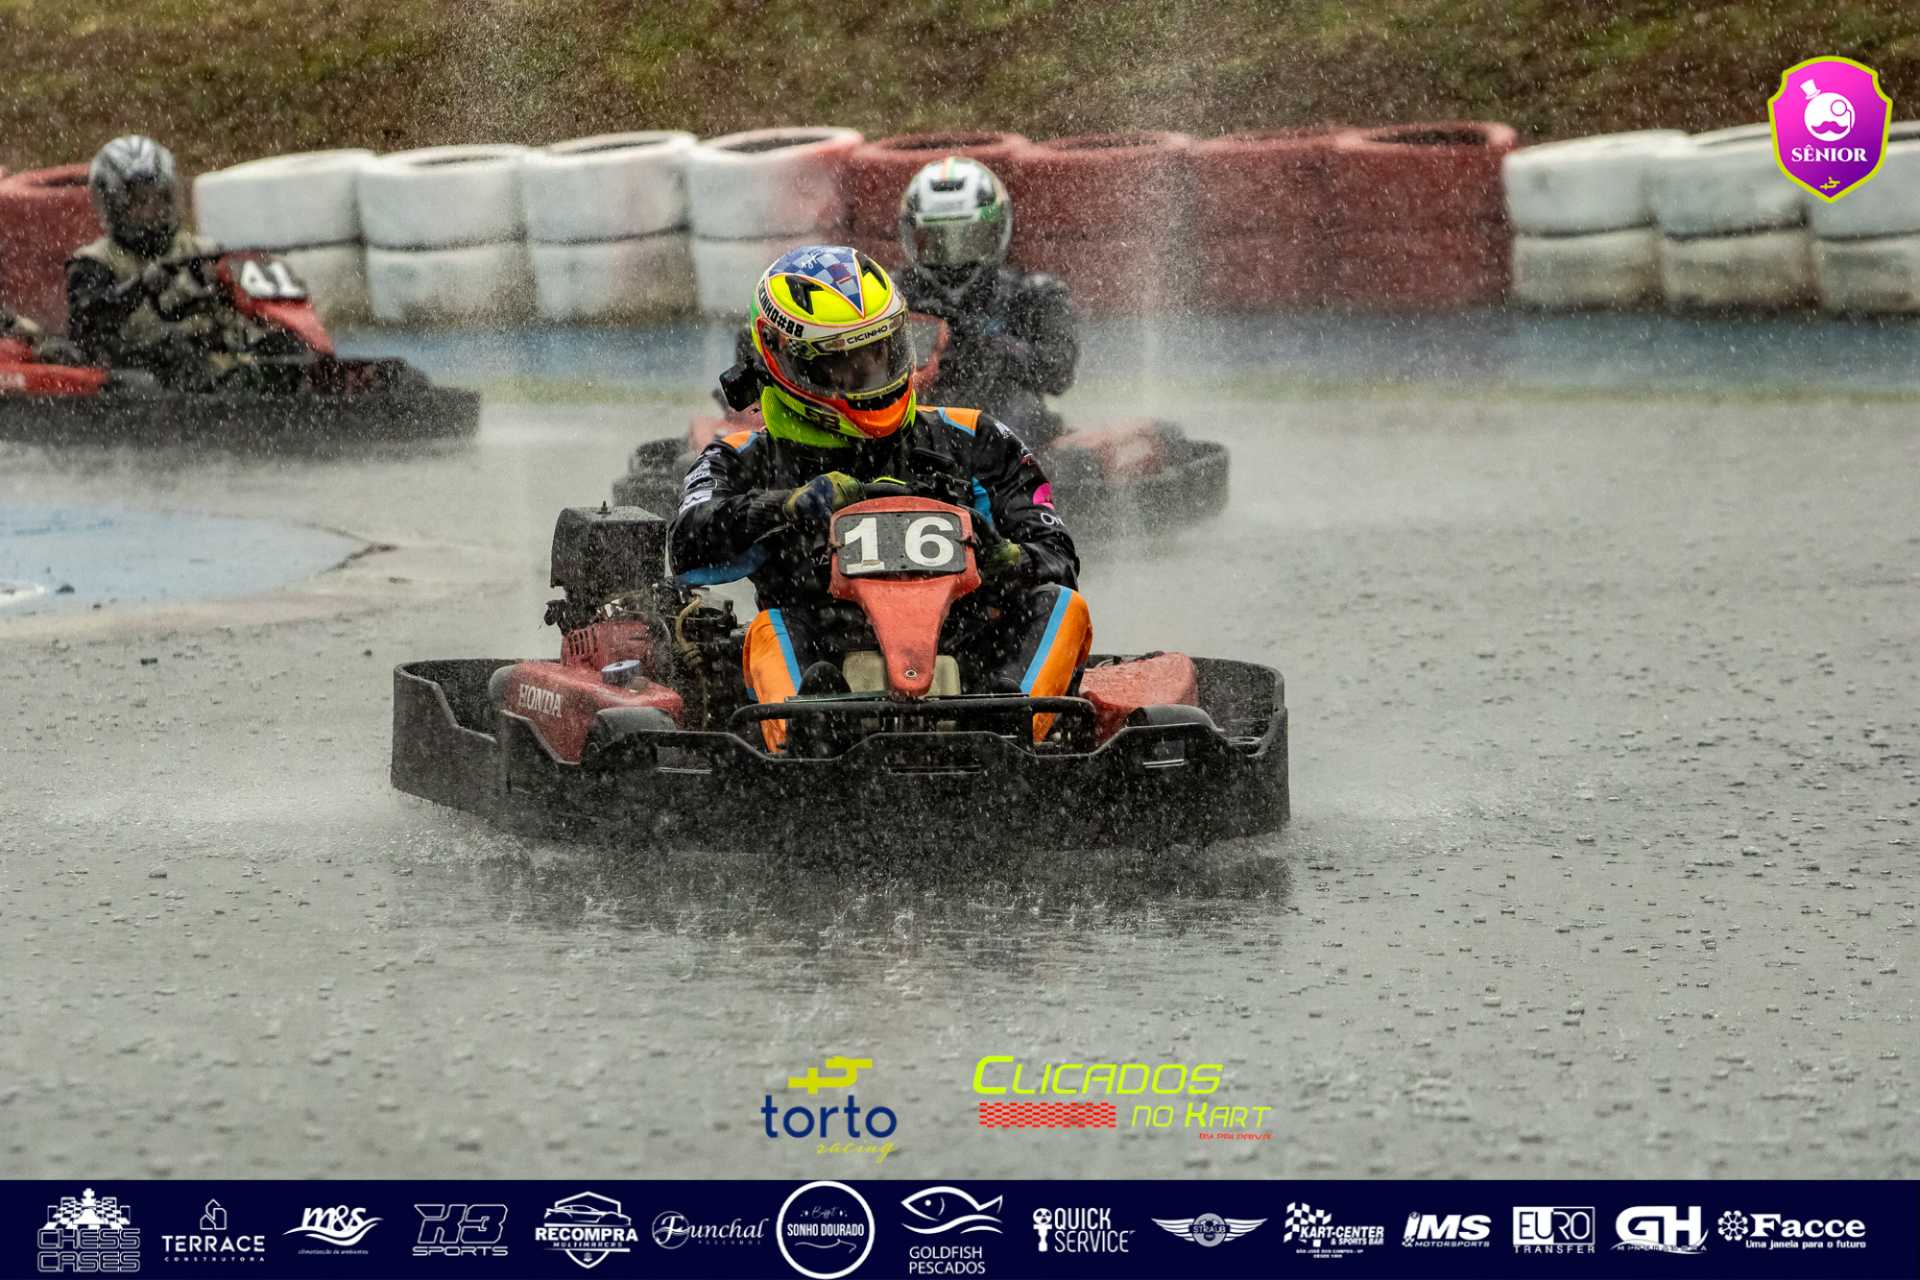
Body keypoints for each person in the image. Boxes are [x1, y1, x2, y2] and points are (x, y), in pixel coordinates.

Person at [669, 244, 1092, 752]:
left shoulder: (976, 438)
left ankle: (1011, 729)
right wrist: (784, 507)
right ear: (786, 363)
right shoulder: (743, 458)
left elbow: (1058, 555)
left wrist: (1005, 557)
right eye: (844, 364)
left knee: (1060, 606)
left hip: (977, 664)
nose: (870, 376)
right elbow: (687, 546)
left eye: (880, 353)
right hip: (822, 654)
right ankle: (807, 736)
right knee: (771, 628)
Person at [894, 156, 1077, 445]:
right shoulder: (892, 296)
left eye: (967, 238)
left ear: (995, 231)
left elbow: (1058, 373)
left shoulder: (1031, 293)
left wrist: (981, 343)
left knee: (1026, 418)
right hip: (918, 431)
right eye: (937, 241)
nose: (953, 258)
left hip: (1008, 432)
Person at [66, 135, 261, 390]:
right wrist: (140, 287)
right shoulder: (94, 262)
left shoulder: (201, 250)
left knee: (282, 348)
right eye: (137, 202)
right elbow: (87, 323)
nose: (150, 211)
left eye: (157, 198)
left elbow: (240, 311)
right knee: (184, 358)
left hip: (211, 360)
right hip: (144, 375)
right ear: (113, 206)